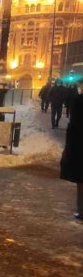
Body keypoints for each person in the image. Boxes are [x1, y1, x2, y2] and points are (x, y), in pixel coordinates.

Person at [60, 79, 83, 221]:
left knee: (81, 182)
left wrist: (69, 149)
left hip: (80, 146)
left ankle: (82, 211)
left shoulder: (79, 101)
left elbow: (74, 126)